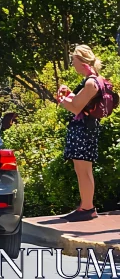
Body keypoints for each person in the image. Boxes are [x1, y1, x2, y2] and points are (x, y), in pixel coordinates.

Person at [57, 45, 104, 221]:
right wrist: (69, 94)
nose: (73, 65)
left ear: (82, 61)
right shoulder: (94, 80)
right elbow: (80, 102)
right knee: (83, 169)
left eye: (74, 61)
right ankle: (86, 205)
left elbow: (76, 107)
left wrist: (62, 100)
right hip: (87, 127)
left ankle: (87, 208)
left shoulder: (91, 82)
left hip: (84, 128)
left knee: (83, 170)